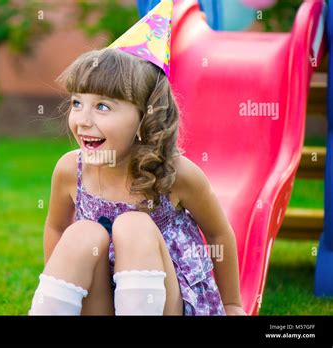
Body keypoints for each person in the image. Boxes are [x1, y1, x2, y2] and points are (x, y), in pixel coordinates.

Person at [28, 47, 246, 316]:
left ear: (145, 118)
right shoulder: (70, 169)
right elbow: (57, 227)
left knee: (133, 225)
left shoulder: (175, 174)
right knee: (80, 233)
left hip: (164, 301)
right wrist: (65, 283)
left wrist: (232, 304)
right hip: (102, 298)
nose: (82, 120)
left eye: (102, 106)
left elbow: (218, 233)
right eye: (76, 103)